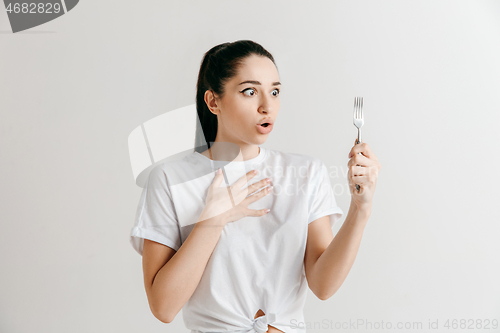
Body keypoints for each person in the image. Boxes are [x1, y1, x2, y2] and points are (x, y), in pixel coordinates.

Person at [130, 40, 381, 333]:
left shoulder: (305, 172)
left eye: (274, 92)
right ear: (213, 102)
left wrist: (360, 209)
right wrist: (213, 220)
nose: (267, 106)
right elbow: (163, 306)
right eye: (250, 91)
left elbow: (323, 285)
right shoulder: (171, 179)